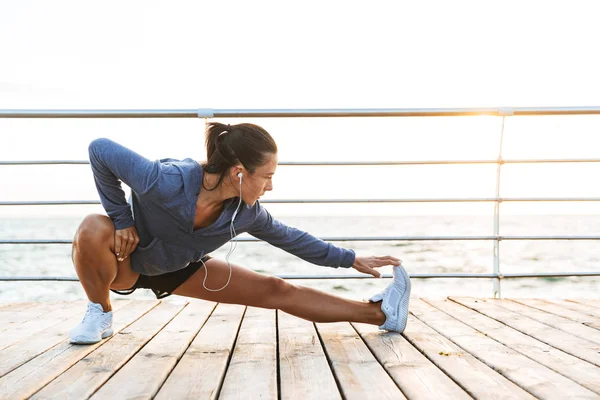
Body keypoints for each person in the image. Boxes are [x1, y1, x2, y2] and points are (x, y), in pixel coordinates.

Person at [69, 122, 411, 344]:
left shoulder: (247, 214)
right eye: (266, 176)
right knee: (92, 227)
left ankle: (382, 313)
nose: (271, 186)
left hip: (178, 268)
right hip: (124, 264)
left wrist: (351, 259)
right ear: (238, 173)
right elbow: (100, 149)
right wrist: (122, 218)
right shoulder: (167, 180)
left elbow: (292, 238)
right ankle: (100, 312)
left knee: (276, 289)